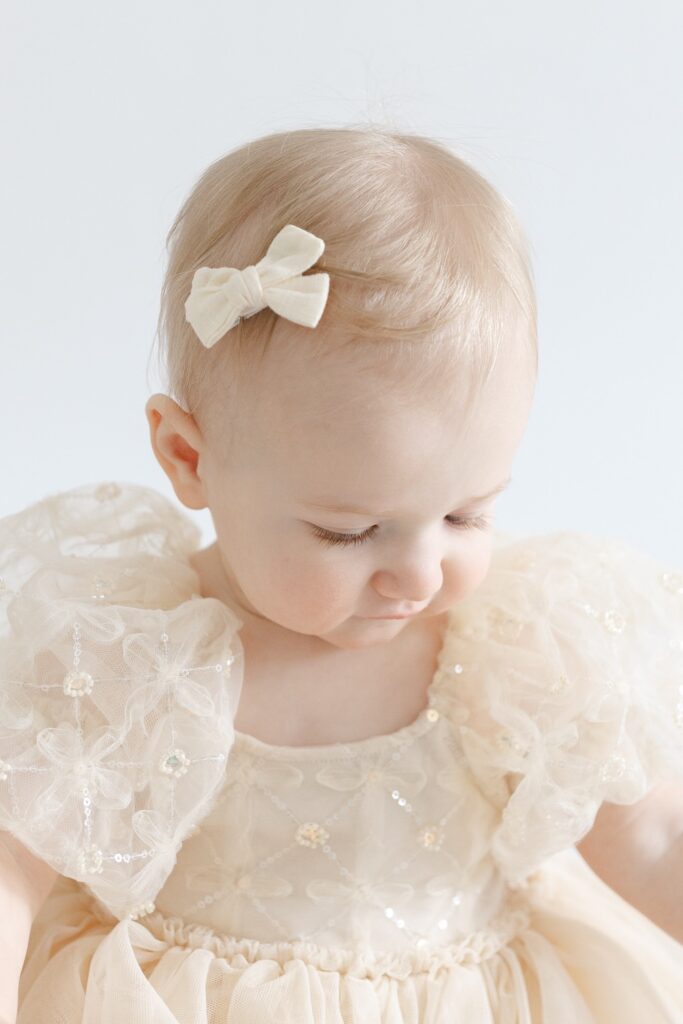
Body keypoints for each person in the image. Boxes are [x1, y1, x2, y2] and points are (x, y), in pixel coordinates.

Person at [1, 125, 682, 1024]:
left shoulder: (516, 650)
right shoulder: (135, 653)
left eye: (465, 513)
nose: (418, 573)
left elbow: (651, 834)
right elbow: (19, 857)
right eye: (349, 530)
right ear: (188, 456)